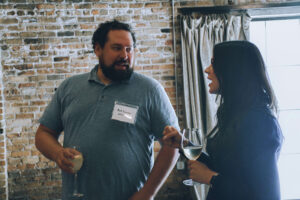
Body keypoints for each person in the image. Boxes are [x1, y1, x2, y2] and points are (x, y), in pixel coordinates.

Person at [35, 20, 179, 200]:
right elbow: (43, 134)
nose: (125, 55)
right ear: (98, 49)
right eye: (117, 48)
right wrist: (57, 154)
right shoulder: (69, 88)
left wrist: (147, 194)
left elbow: (172, 145)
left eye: (129, 49)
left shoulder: (150, 90)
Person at [162, 41, 283, 200]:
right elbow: (226, 166)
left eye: (214, 63)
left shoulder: (260, 121)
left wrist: (210, 178)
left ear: (232, 70)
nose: (207, 70)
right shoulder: (234, 113)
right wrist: (184, 144)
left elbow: (264, 193)